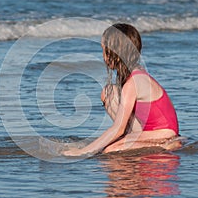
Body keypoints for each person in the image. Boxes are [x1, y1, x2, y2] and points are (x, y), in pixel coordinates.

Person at [63, 23, 180, 157]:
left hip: (164, 133)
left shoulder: (134, 82)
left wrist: (82, 152)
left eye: (104, 50)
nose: (103, 56)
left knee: (111, 150)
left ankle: (164, 144)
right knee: (109, 93)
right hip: (148, 129)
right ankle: (135, 139)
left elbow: (118, 128)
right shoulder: (131, 76)